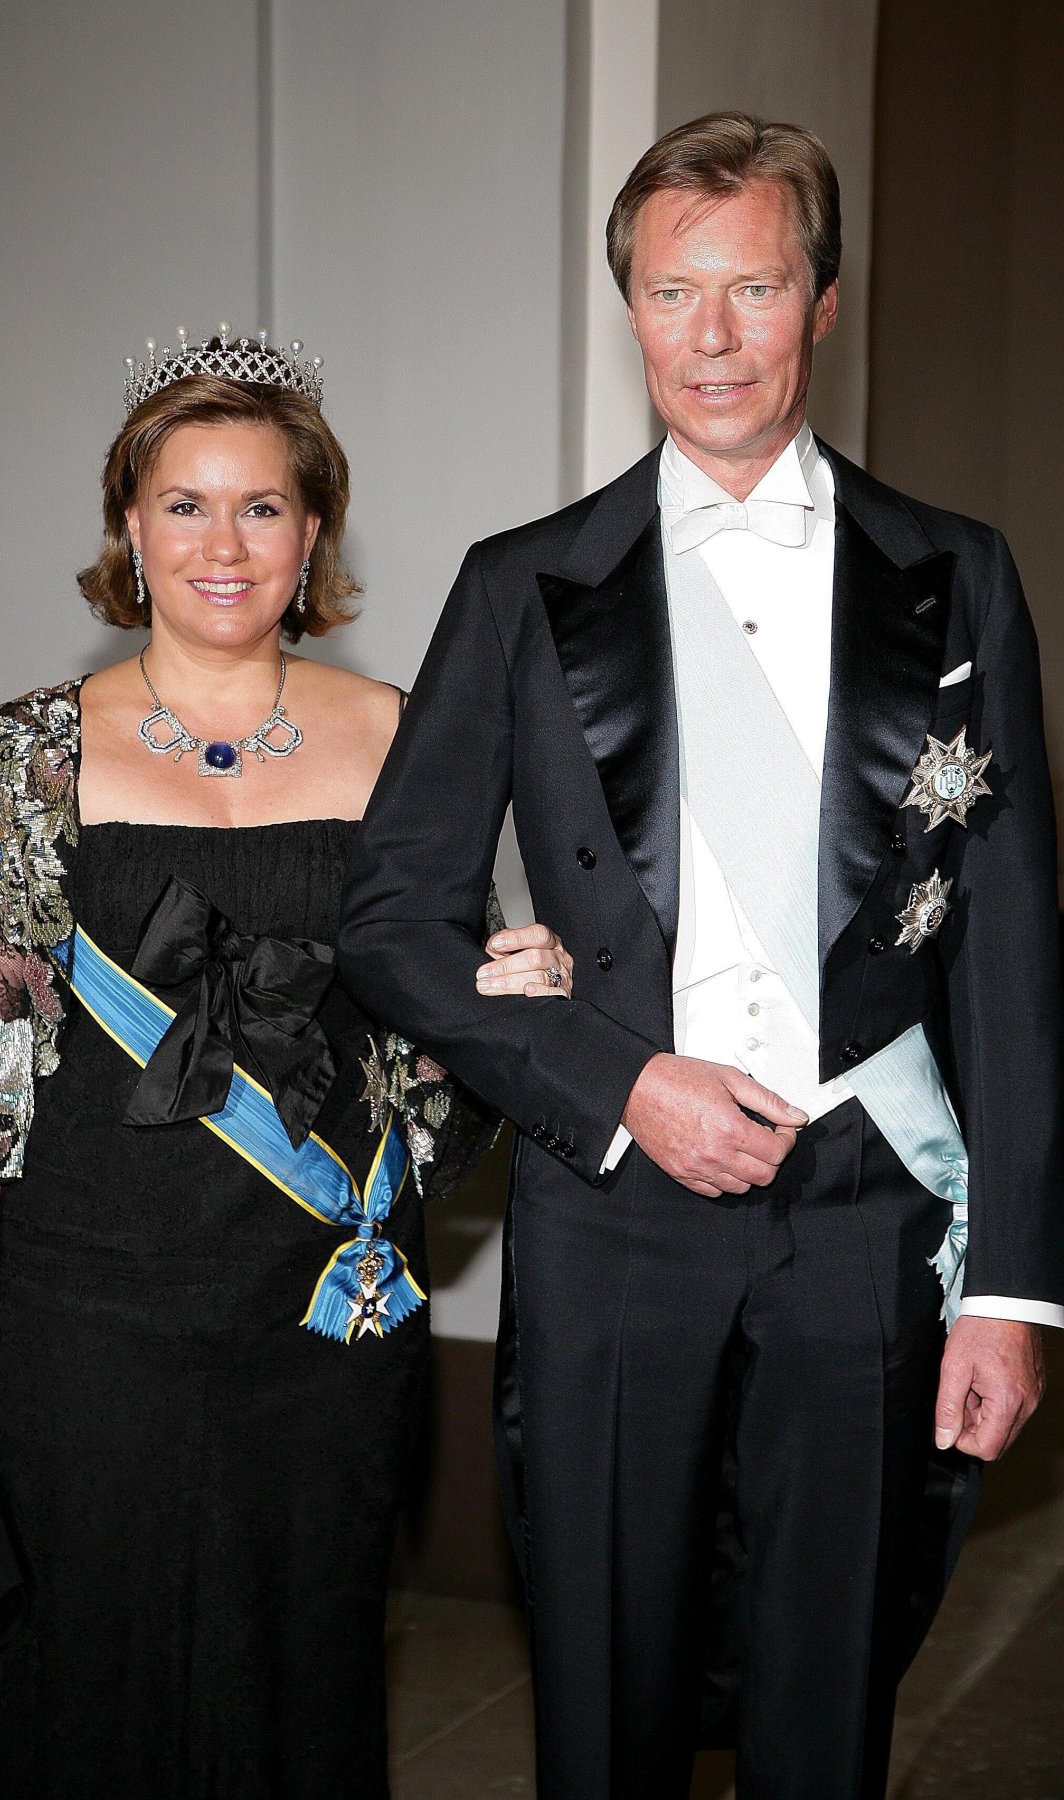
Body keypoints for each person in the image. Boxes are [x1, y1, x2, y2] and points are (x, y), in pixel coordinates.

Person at [338, 112, 1064, 1799]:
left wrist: (1013, 1288)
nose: (714, 337)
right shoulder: (522, 585)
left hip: (873, 1205)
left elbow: (1011, 956)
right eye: (675, 294)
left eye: (753, 287)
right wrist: (622, 1083)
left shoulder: (957, 577)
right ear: (634, 312)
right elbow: (393, 913)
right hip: (612, 1213)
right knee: (603, 1695)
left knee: (835, 1696)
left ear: (824, 300)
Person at [0, 331, 575, 1799]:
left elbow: (437, 1065)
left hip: (320, 1320)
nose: (223, 541)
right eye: (183, 504)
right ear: (129, 530)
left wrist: (516, 1005)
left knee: (296, 1674)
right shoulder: (28, 755)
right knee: (81, 1682)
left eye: (261, 505)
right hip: (85, 1314)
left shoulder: (402, 742)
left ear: (312, 528)